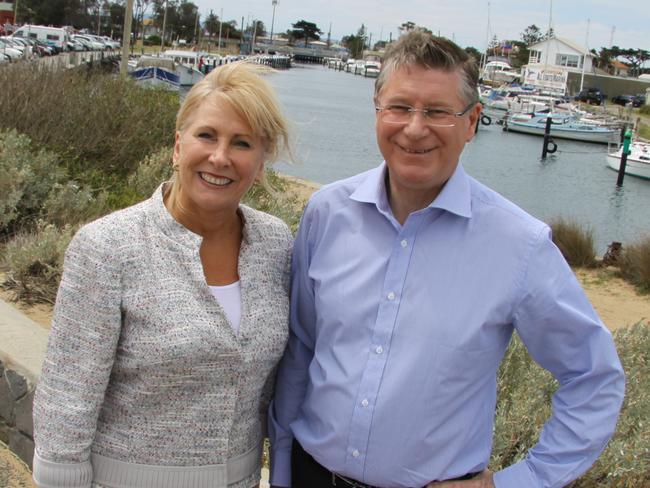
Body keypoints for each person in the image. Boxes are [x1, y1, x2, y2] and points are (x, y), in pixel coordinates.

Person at [269, 31, 625, 488]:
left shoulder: (520, 245)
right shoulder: (327, 214)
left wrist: (521, 481)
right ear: (377, 112)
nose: (414, 128)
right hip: (309, 475)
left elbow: (594, 379)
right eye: (399, 107)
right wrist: (281, 470)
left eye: (437, 111)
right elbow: (302, 351)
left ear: (472, 121)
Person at [32, 61, 293, 488]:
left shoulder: (275, 243)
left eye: (242, 143)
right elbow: (67, 395)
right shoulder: (108, 247)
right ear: (177, 146)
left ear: (261, 163)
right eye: (206, 135)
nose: (220, 157)